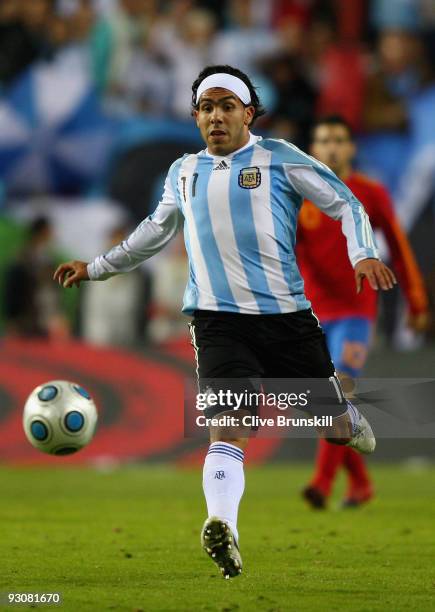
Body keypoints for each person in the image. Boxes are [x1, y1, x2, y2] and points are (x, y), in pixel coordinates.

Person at [54, 65, 396, 580]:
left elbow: (344, 203)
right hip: (217, 322)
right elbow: (152, 233)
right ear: (195, 117)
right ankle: (223, 526)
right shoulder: (182, 172)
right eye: (206, 108)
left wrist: (362, 255)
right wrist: (96, 267)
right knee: (229, 428)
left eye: (226, 106)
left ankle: (345, 418)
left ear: (248, 114)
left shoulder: (279, 158)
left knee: (333, 424)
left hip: (287, 321)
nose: (216, 116)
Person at [297, 115, 429, 509]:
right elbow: (290, 254)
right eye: (324, 140)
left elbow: (399, 247)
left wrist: (417, 300)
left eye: (339, 139)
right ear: (313, 150)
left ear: (351, 148)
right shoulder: (299, 197)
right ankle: (361, 483)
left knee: (341, 388)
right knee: (322, 403)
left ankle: (321, 483)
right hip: (312, 314)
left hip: (356, 311)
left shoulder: (370, 193)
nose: (332, 147)